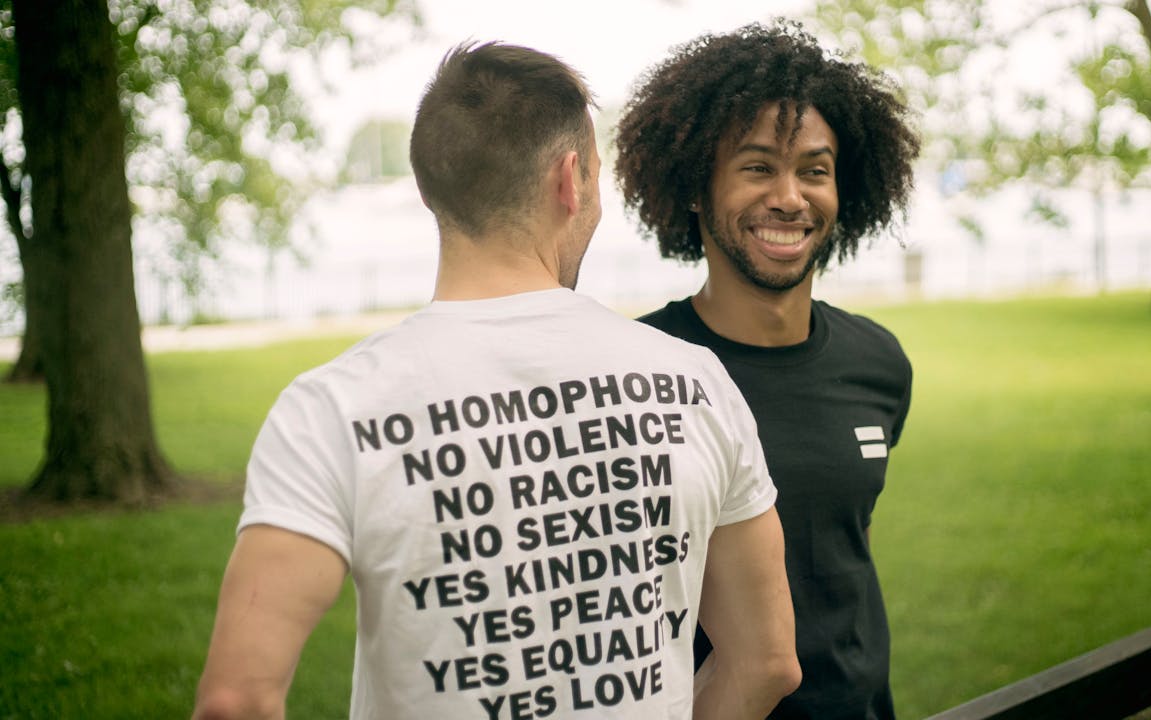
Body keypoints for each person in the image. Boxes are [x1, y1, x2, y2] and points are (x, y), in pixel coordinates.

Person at [193, 41, 801, 720]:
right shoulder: (695, 384)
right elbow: (767, 660)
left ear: (430, 186)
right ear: (571, 181)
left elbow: (235, 699)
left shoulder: (332, 410)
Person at [614, 21, 919, 720]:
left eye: (814, 169)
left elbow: (842, 543)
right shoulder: (634, 378)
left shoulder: (878, 364)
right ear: (694, 190)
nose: (790, 196)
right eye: (757, 168)